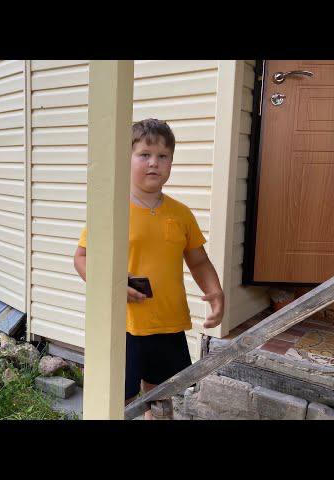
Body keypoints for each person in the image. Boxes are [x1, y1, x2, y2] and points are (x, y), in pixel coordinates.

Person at [73, 118, 224, 419]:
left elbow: (198, 261)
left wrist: (215, 291)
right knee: (121, 400)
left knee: (161, 396)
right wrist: (112, 284)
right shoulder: (111, 210)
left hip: (168, 323)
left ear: (171, 162)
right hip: (123, 326)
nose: (154, 162)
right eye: (144, 154)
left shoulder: (181, 214)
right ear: (126, 160)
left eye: (163, 156)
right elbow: (82, 258)